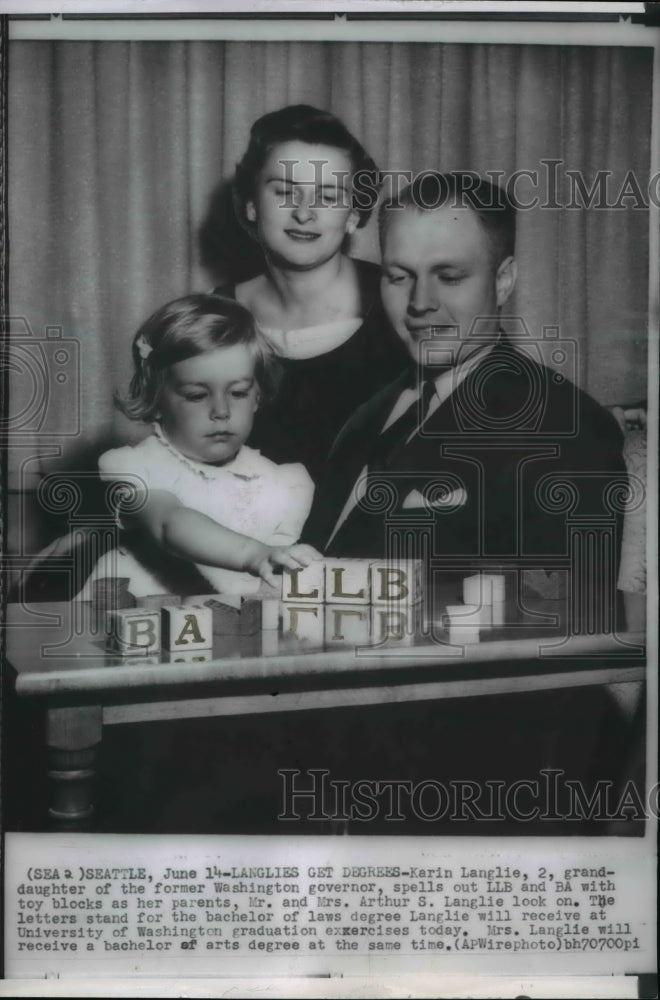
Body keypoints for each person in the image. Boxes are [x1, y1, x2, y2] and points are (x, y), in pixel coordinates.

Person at [304, 172, 627, 624]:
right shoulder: (365, 413)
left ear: (504, 280)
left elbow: (556, 628)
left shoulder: (566, 427)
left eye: (449, 276)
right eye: (399, 277)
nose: (420, 302)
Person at [79, 293, 319, 599]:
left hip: (227, 635)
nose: (221, 411)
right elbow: (169, 524)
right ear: (156, 399)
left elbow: (271, 583)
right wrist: (254, 555)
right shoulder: (139, 470)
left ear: (258, 395)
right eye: (196, 395)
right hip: (130, 620)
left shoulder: (284, 484)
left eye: (238, 392)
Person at [217, 104, 409, 482]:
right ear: (253, 204)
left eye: (328, 195)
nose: (305, 213)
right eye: (286, 192)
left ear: (354, 214)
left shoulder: (402, 300)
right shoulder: (216, 315)